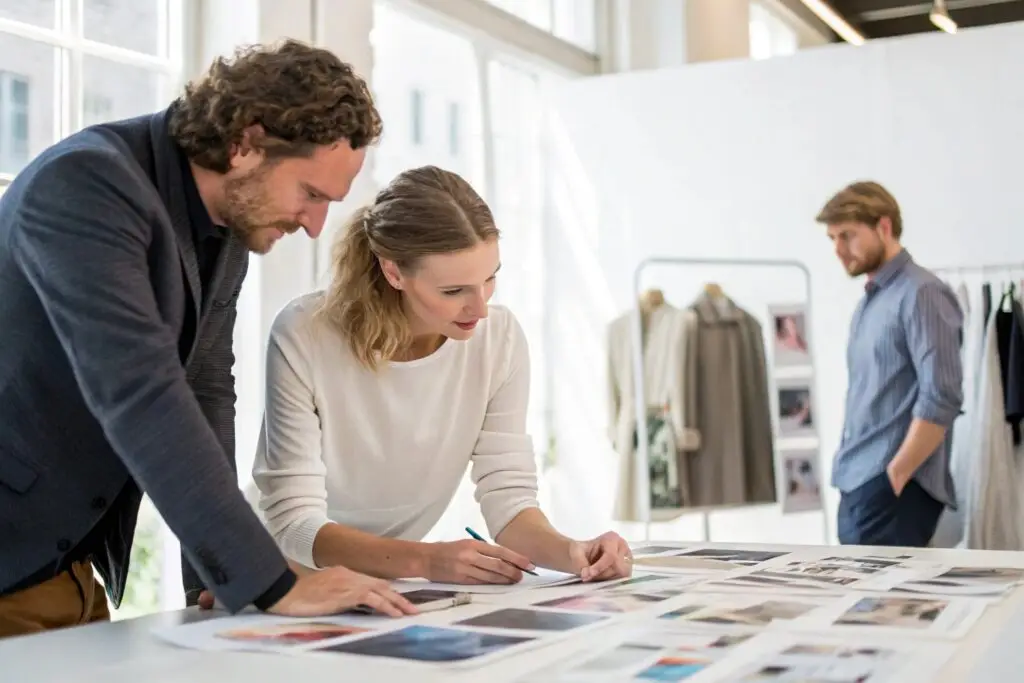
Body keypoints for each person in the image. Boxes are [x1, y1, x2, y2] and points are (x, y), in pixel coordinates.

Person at [0, 39, 417, 639]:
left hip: (70, 565)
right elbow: (141, 391)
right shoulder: (85, 184)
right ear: (246, 143)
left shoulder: (225, 220)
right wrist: (272, 583)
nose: (315, 224)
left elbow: (204, 388)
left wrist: (212, 579)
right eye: (312, 193)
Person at [252, 165, 634, 585]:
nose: (480, 308)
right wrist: (427, 562)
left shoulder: (499, 340)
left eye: (490, 279)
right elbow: (294, 523)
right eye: (454, 291)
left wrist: (573, 553)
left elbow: (507, 497)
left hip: (387, 581)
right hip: (278, 576)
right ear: (394, 272)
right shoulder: (305, 333)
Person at [816, 181, 963, 547]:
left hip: (894, 492)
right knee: (855, 603)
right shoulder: (870, 301)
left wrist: (894, 476)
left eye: (847, 235)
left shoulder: (921, 292)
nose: (838, 249)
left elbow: (941, 396)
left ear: (884, 227)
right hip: (857, 484)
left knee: (887, 605)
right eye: (832, 238)